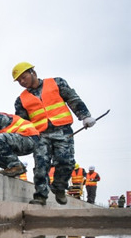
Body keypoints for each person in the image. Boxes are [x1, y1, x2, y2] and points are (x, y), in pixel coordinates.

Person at [12, 62, 97, 205]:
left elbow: (73, 99)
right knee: (41, 165)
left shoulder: (56, 83)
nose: (22, 82)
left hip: (62, 131)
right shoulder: (21, 100)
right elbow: (23, 122)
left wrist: (85, 116)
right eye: (19, 80)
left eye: (23, 77)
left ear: (33, 72)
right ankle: (40, 196)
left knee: (66, 162)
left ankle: (59, 187)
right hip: (40, 136)